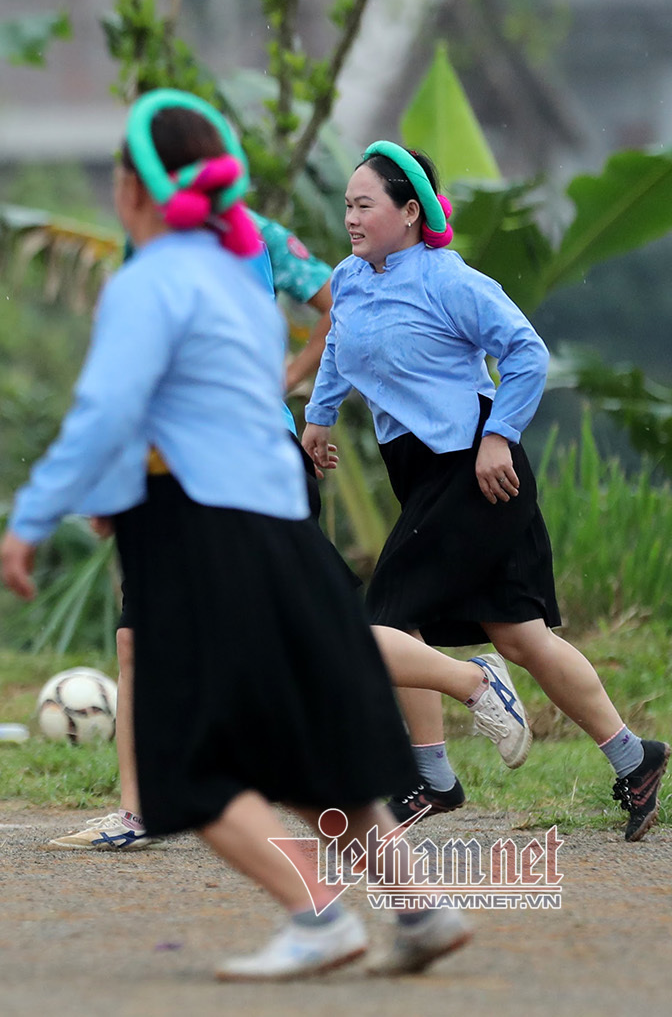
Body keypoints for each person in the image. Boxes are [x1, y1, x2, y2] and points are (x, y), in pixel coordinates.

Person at [0, 93, 469, 979]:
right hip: (280, 522)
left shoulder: (149, 281)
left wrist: (32, 518)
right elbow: (199, 408)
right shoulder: (239, 273)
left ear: (139, 190)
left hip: (195, 535)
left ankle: (319, 917)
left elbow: (107, 410)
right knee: (301, 743)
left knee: (189, 764)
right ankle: (421, 908)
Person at [52, 183, 531, 854]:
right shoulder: (146, 251)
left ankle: (465, 688)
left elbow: (333, 314)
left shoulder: (260, 239)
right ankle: (142, 810)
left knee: (303, 638)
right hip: (172, 466)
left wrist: (297, 387)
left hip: (247, 459)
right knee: (143, 640)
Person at [303, 142, 665, 840]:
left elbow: (526, 350)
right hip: (428, 476)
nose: (350, 216)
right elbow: (340, 350)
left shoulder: (448, 279)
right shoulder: (349, 280)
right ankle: (635, 757)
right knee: (520, 636)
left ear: (410, 212)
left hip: (475, 469)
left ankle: (437, 766)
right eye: (347, 205)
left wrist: (499, 433)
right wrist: (318, 420)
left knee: (379, 623)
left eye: (364, 204)